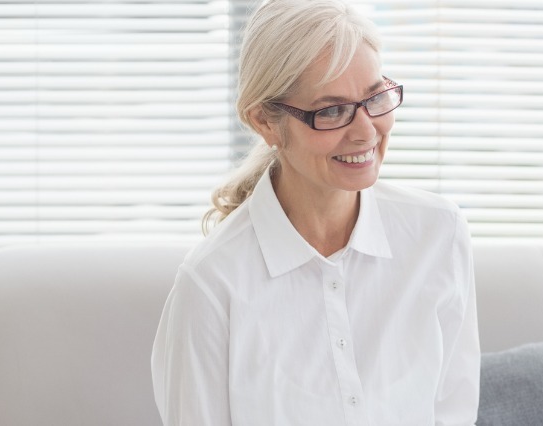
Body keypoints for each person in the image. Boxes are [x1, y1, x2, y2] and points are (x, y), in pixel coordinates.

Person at [150, 0, 479, 424]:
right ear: (265, 122)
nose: (366, 131)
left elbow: (453, 411)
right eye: (332, 111)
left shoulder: (438, 234)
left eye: (375, 97)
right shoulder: (213, 281)